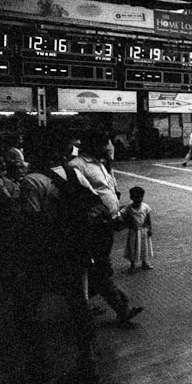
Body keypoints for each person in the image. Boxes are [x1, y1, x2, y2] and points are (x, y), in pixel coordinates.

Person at [15, 145, 99, 384]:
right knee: (78, 305)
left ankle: (39, 367)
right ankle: (87, 363)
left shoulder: (31, 181)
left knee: (26, 307)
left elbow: (31, 223)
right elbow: (94, 203)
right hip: (75, 251)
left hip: (46, 255)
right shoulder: (74, 173)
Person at [68, 130, 145, 328]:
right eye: (104, 144)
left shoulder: (100, 164)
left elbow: (108, 190)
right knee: (101, 269)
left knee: (99, 269)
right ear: (92, 144)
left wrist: (117, 214)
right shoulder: (78, 165)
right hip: (93, 226)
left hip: (107, 224)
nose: (107, 147)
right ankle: (121, 307)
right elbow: (82, 197)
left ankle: (86, 303)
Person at [121, 186, 154, 272]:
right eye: (136, 198)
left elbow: (148, 218)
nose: (138, 200)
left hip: (143, 230)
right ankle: (133, 265)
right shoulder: (128, 208)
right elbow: (122, 216)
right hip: (134, 231)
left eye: (140, 198)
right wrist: (128, 224)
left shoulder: (145, 207)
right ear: (131, 198)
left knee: (144, 246)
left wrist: (150, 228)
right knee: (133, 247)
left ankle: (145, 262)